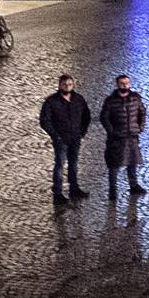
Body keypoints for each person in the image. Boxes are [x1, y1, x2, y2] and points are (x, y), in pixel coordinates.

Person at [39, 75, 93, 205]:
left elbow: (87, 115)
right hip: (61, 139)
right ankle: (57, 193)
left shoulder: (78, 99)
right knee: (60, 165)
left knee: (73, 164)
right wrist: (55, 135)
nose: (67, 87)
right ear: (59, 85)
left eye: (70, 84)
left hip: (75, 137)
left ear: (73, 85)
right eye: (65, 84)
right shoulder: (51, 101)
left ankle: (74, 188)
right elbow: (44, 121)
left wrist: (82, 132)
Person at [100, 74, 148, 195]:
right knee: (114, 164)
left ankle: (134, 185)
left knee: (132, 161)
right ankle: (113, 189)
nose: (125, 86)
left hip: (132, 135)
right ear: (117, 84)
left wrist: (140, 127)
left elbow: (142, 112)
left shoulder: (135, 98)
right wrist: (111, 131)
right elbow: (104, 117)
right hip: (117, 137)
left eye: (127, 83)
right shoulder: (110, 100)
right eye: (122, 83)